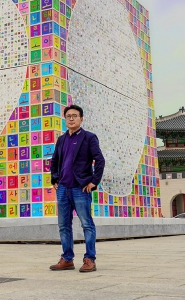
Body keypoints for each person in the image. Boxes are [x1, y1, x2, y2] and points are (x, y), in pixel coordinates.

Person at [49, 104, 105, 272]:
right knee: (63, 225)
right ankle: (67, 259)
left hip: (80, 189)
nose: (71, 118)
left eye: (75, 116)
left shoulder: (89, 137)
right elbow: (54, 161)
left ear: (81, 118)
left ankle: (90, 259)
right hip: (63, 189)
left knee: (87, 224)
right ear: (65, 119)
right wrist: (55, 179)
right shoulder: (61, 139)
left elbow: (100, 160)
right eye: (68, 116)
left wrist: (94, 181)